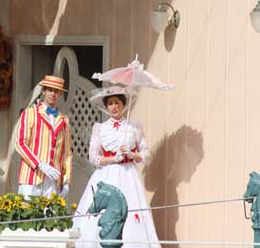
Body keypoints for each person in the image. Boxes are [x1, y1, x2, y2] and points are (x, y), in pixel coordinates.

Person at [73, 85, 161, 248]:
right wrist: (114, 158)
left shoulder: (134, 127)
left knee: (131, 210)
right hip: (107, 175)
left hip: (128, 175)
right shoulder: (100, 128)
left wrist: (131, 154)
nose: (114, 107)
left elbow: (145, 153)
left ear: (123, 104)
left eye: (117, 103)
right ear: (106, 106)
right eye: (110, 103)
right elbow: (94, 157)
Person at [14, 75, 72, 198]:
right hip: (31, 177)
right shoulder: (30, 113)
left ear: (60, 94)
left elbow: (67, 153)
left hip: (54, 180)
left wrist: (66, 181)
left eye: (57, 91)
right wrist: (40, 164)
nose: (53, 94)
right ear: (44, 91)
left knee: (50, 216)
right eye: (50, 90)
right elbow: (20, 143)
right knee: (28, 215)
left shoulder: (64, 119)